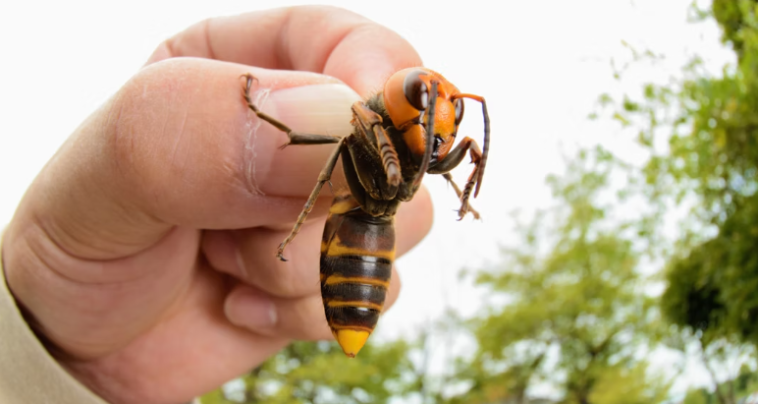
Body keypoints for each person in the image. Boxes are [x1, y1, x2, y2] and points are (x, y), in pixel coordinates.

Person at [0, 6, 433, 404]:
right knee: (337, 142)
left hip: (368, 237)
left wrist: (65, 373)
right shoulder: (364, 117)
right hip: (356, 239)